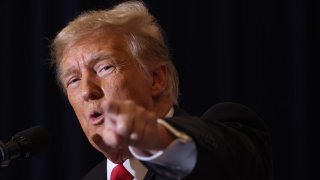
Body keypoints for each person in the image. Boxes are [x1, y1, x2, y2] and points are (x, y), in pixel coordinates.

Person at [50, 0, 273, 179]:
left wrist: (156, 139)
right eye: (73, 80)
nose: (87, 90)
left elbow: (222, 159)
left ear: (156, 78)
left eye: (105, 67)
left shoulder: (223, 144)